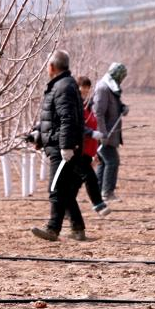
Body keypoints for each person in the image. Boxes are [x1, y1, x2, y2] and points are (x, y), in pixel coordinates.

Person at [28, 50, 87, 241]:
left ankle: (53, 229)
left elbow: (67, 119)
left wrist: (66, 147)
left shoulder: (63, 87)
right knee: (65, 190)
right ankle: (78, 229)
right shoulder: (63, 85)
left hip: (63, 148)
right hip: (57, 144)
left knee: (57, 188)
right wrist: (39, 135)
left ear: (52, 67)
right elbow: (54, 119)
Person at [92, 62, 129, 202]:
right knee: (112, 161)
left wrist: (123, 108)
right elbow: (98, 113)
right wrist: (102, 133)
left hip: (112, 133)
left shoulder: (113, 88)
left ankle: (97, 191)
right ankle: (107, 193)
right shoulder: (103, 87)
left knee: (103, 162)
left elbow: (115, 106)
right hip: (104, 134)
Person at [77, 76, 111, 217]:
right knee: (90, 177)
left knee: (74, 184)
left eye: (87, 87)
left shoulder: (88, 106)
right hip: (78, 150)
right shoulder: (76, 106)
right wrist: (91, 133)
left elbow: (92, 125)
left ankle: (65, 207)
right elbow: (77, 126)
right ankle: (99, 205)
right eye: (82, 87)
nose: (85, 90)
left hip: (88, 151)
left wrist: (95, 150)